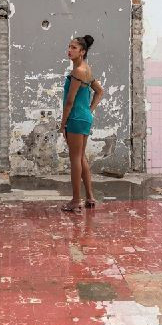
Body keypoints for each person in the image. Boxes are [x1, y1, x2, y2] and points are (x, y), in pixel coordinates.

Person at [59, 35, 104, 213]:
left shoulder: (78, 72)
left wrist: (63, 124)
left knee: (75, 159)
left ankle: (76, 200)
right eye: (69, 47)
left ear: (83, 52)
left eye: (74, 48)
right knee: (81, 157)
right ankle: (90, 197)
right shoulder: (86, 69)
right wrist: (89, 110)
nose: (69, 50)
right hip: (83, 117)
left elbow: (69, 101)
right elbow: (99, 91)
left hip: (76, 118)